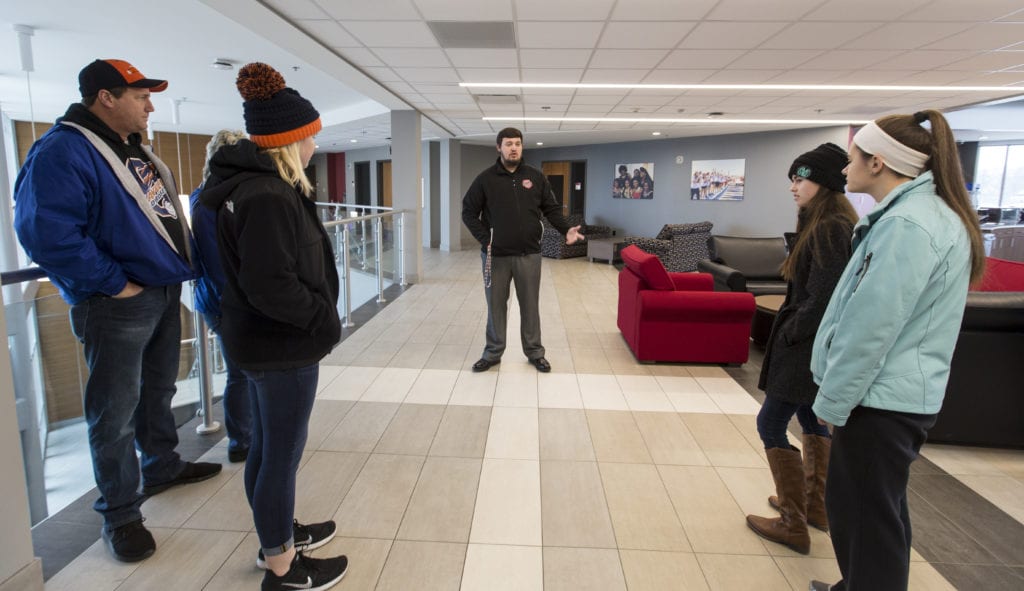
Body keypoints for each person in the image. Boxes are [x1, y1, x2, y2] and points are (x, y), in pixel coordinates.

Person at [13, 59, 221, 562]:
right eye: (140, 96)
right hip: (117, 302)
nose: (150, 106)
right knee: (113, 414)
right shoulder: (63, 151)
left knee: (159, 388)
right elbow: (46, 233)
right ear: (106, 98)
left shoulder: (131, 150)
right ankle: (122, 514)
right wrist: (115, 284)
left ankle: (162, 465)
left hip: (162, 290)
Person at [808, 110, 985, 591]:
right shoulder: (920, 215)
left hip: (880, 402)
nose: (845, 170)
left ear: (879, 163)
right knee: (878, 513)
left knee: (864, 518)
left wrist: (832, 404)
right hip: (893, 398)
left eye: (852, 159)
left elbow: (870, 328)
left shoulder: (908, 225)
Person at [199, 62, 347, 591]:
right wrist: (322, 319)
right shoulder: (266, 195)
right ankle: (282, 568)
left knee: (266, 450)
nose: (314, 144)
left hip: (264, 345)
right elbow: (270, 285)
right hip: (281, 347)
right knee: (279, 456)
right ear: (289, 140)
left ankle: (279, 536)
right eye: (309, 136)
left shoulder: (259, 186)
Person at [744, 143, 858, 555]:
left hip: (804, 347)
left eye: (800, 178)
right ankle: (814, 506)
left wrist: (793, 333)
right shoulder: (824, 221)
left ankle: (793, 522)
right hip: (810, 346)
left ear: (823, 182)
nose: (793, 186)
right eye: (792, 179)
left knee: (770, 423)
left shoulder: (830, 227)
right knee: (811, 418)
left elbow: (824, 295)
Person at [462, 127, 583, 373]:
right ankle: (493, 353)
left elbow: (551, 209)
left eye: (517, 143)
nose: (513, 148)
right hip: (495, 257)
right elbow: (468, 212)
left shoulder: (535, 176)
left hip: (529, 254)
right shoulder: (485, 179)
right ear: (499, 147)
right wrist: (487, 240)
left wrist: (566, 229)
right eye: (508, 144)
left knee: (530, 305)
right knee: (496, 305)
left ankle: (535, 353)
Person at [189, 129, 252, 463]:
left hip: (217, 300)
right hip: (229, 301)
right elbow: (221, 262)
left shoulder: (204, 196)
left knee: (240, 373)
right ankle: (242, 440)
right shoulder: (216, 202)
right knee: (242, 374)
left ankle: (245, 436)